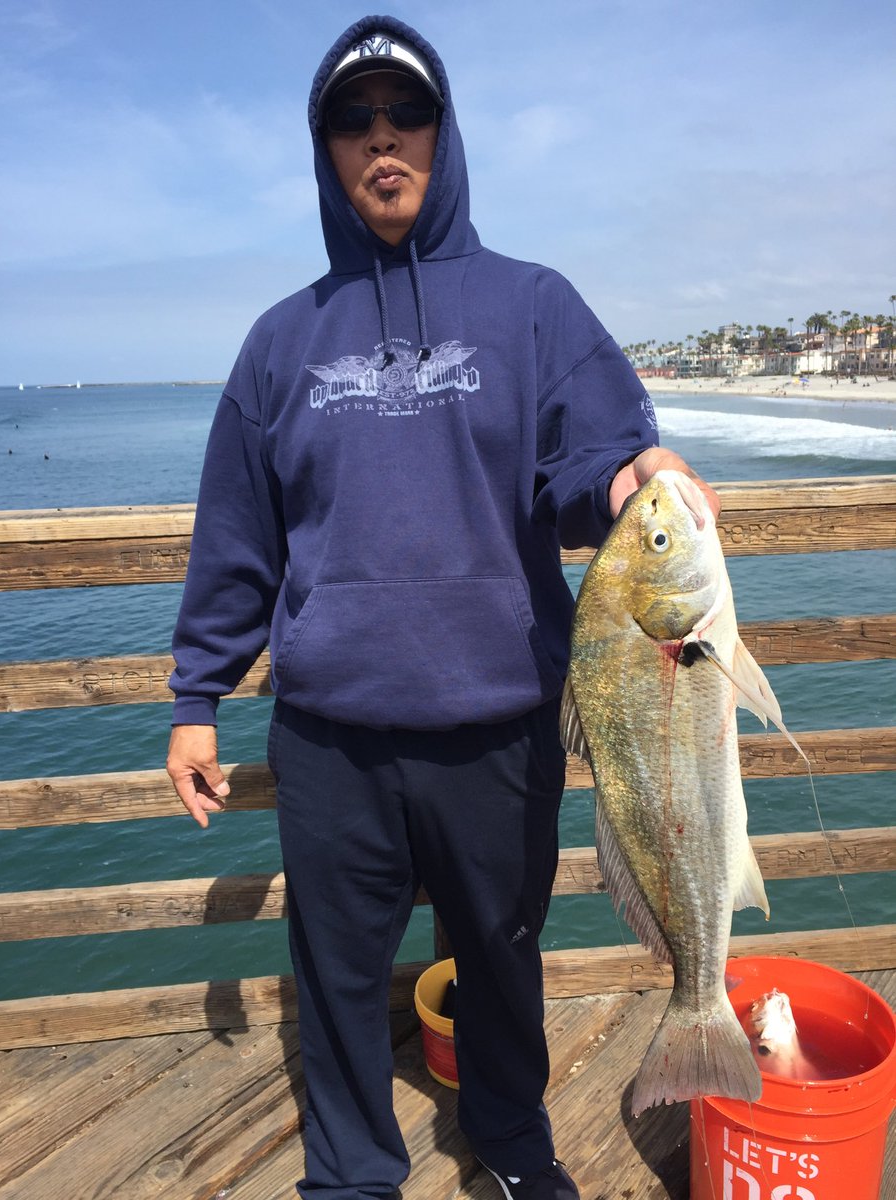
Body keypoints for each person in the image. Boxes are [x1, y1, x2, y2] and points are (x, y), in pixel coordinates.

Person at [166, 15, 719, 1200]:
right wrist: (195, 695)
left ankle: (514, 1144)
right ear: (326, 152)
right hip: (332, 740)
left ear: (443, 132)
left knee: (504, 959)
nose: (382, 141)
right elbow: (238, 537)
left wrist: (638, 476)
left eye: (404, 115)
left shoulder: (534, 308)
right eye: (354, 121)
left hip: (500, 726)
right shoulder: (280, 342)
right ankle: (354, 1174)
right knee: (337, 974)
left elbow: (596, 465)